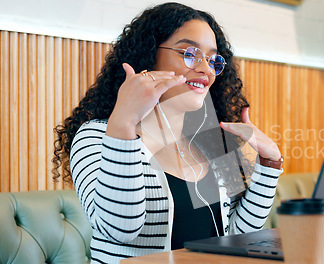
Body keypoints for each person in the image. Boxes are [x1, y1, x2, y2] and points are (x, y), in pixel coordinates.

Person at [52, 3, 283, 263]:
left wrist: (269, 163)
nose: (206, 70)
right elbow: (120, 229)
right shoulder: (98, 136)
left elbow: (237, 236)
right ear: (149, 55)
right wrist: (124, 123)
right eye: (190, 53)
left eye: (212, 59)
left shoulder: (210, 140)